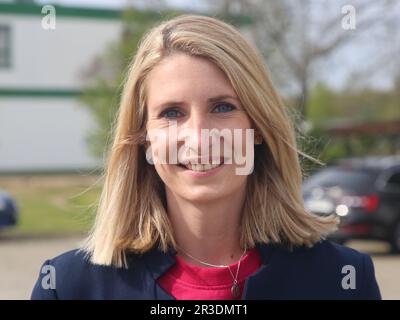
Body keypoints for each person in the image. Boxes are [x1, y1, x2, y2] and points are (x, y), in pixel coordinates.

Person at [31, 14, 381, 300]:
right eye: (171, 113)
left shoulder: (342, 281)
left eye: (223, 107)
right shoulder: (68, 287)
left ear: (257, 125)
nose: (199, 137)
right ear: (144, 138)